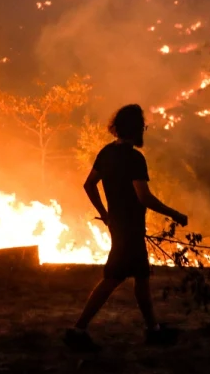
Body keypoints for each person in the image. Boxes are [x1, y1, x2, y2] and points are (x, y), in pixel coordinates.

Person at [64, 104, 189, 352]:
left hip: (120, 225)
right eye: (143, 125)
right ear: (136, 129)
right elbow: (144, 197)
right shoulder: (134, 159)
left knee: (141, 277)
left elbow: (89, 185)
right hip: (129, 229)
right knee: (112, 278)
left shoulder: (107, 153)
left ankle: (153, 331)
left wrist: (105, 213)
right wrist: (174, 214)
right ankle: (78, 331)